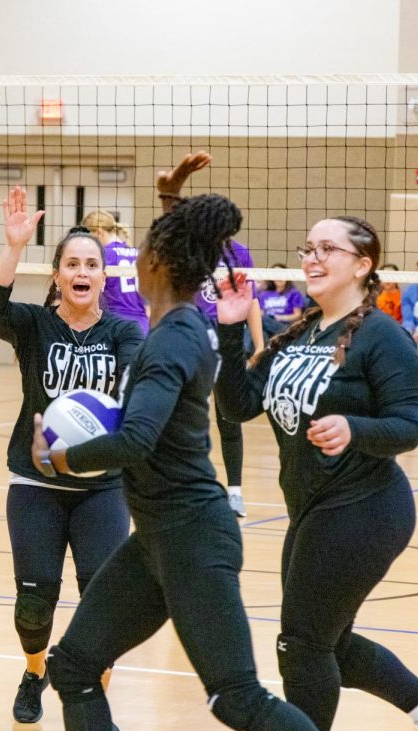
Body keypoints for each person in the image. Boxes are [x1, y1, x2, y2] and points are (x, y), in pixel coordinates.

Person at [34, 194, 414, 731]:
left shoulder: (173, 339)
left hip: (192, 537)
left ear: (155, 262)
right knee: (75, 666)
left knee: (236, 697)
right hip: (158, 534)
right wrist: (173, 191)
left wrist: (61, 457)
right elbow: (220, 400)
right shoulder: (180, 324)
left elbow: (135, 440)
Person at [215, 215, 418, 731]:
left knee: (301, 643)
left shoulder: (384, 337)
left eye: (327, 249)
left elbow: (408, 427)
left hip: (367, 505)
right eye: (307, 247)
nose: (312, 257)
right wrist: (233, 331)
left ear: (362, 264)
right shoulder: (296, 332)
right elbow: (234, 407)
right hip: (312, 505)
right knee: (327, 643)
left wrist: (353, 427)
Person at [0, 186, 143, 731]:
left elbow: (138, 395)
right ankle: (34, 672)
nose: (81, 271)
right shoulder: (34, 325)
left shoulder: (123, 333)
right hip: (36, 483)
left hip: (102, 488)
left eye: (91, 264)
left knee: (102, 603)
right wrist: (13, 247)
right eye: (71, 263)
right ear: (57, 275)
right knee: (34, 604)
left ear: (103, 276)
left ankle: (94, 699)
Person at [157, 150, 262, 518]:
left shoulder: (240, 254)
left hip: (227, 343)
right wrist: (169, 197)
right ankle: (182, 485)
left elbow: (251, 302)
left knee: (228, 416)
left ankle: (234, 491)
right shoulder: (191, 251)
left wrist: (259, 345)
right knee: (185, 414)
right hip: (192, 343)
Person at [83, 209, 147, 336]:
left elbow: (91, 295)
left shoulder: (103, 255)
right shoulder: (138, 254)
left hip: (116, 324)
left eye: (88, 237)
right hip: (143, 325)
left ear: (99, 232)